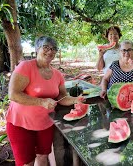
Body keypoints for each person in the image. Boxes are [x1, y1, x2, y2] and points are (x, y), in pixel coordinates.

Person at [6, 36, 84, 166]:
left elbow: (62, 97)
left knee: (43, 158)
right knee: (27, 163)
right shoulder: (26, 66)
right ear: (37, 48)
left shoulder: (58, 75)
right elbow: (13, 94)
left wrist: (76, 99)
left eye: (53, 49)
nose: (50, 51)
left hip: (45, 124)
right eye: (46, 47)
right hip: (20, 124)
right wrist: (41, 102)